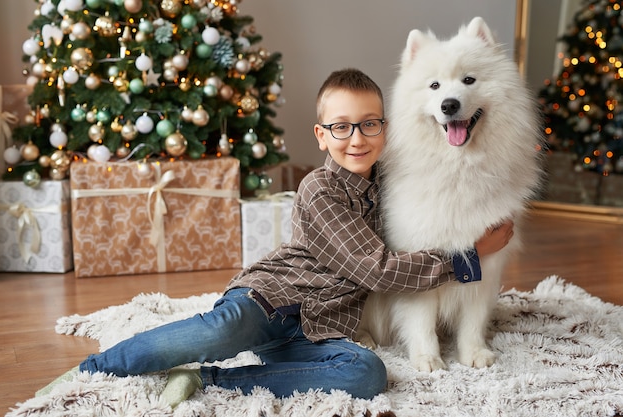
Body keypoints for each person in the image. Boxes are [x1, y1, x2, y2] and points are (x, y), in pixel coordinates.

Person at [37, 68, 514, 407]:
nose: (357, 138)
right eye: (342, 127)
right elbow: (376, 269)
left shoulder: (391, 183)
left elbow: (443, 171)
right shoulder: (320, 188)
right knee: (217, 331)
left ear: (384, 129)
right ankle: (97, 369)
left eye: (369, 124)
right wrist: (468, 258)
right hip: (273, 300)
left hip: (324, 326)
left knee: (365, 374)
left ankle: (208, 380)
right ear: (322, 136)